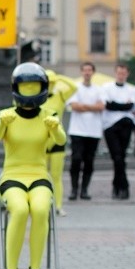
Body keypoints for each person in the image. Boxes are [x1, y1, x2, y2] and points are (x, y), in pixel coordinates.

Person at [0, 62, 66, 269]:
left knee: (41, 210)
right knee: (19, 210)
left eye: (33, 87)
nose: (29, 91)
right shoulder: (6, 115)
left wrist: (56, 128)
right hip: (12, 175)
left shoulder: (48, 116)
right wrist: (1, 123)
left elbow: (62, 140)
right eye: (25, 87)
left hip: (39, 175)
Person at [66, 62, 105, 200]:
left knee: (89, 161)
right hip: (77, 130)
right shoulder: (75, 88)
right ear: (81, 72)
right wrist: (92, 107)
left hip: (93, 131)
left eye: (89, 70)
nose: (87, 73)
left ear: (93, 72)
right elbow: (75, 106)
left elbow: (101, 106)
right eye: (85, 70)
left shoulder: (99, 89)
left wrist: (85, 106)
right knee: (76, 159)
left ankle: (84, 189)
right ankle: (74, 189)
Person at [42, 70, 77, 216]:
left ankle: (58, 205)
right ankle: (43, 204)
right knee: (42, 174)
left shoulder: (61, 95)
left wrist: (61, 77)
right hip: (42, 139)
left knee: (56, 175)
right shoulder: (36, 98)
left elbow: (75, 87)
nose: (50, 85)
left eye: (52, 82)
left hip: (57, 138)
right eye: (48, 82)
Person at [102, 64, 135, 200]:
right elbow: (108, 105)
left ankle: (118, 187)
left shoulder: (131, 89)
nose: (121, 75)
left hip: (125, 125)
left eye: (124, 73)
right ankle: (123, 185)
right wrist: (122, 106)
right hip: (110, 126)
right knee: (117, 157)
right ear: (115, 73)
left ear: (127, 74)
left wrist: (117, 105)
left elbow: (130, 105)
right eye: (119, 73)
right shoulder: (106, 87)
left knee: (120, 157)